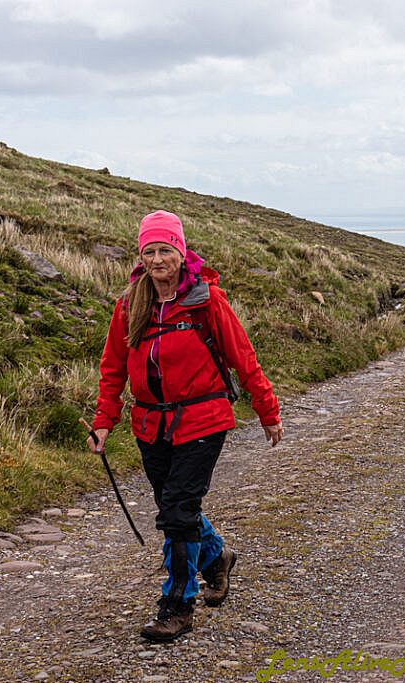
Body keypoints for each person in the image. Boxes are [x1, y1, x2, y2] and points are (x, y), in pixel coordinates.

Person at [89, 210, 283, 641]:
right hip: (149, 424)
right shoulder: (129, 305)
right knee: (177, 508)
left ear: (180, 252)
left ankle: (177, 605)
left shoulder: (206, 300)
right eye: (150, 251)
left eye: (166, 250)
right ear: (141, 255)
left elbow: (242, 358)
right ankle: (216, 559)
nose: (158, 259)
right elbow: (113, 370)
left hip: (203, 418)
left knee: (177, 511)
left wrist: (267, 410)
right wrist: (104, 421)